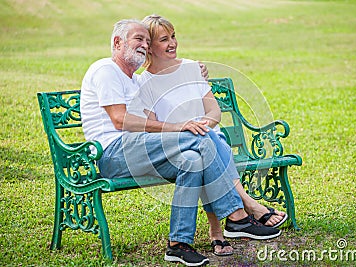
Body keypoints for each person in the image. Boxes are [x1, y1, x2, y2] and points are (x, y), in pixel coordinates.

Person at [80, 19, 281, 267]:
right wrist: (178, 127)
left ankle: (178, 244)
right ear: (117, 42)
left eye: (146, 40)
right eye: (138, 40)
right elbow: (119, 120)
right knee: (199, 134)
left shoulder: (133, 79)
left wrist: (190, 72)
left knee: (194, 160)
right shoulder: (105, 70)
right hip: (114, 154)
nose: (143, 45)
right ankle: (238, 215)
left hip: (140, 152)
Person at [137, 14, 289, 257]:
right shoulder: (144, 82)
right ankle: (244, 209)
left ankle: (222, 229)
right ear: (149, 48)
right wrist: (187, 127)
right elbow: (153, 126)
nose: (172, 43)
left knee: (208, 147)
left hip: (207, 137)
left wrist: (203, 124)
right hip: (177, 145)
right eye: (164, 39)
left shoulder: (191, 68)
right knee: (204, 149)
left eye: (173, 36)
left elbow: (214, 110)